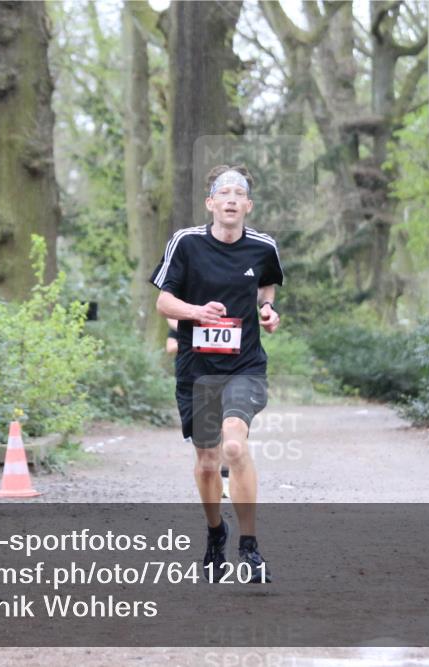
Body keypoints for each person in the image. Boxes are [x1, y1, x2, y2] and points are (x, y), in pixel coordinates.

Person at [150, 164, 282, 583]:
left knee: (235, 448)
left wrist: (266, 310)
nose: (230, 199)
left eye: (237, 194)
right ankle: (214, 534)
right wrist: (196, 312)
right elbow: (164, 303)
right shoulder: (186, 243)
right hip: (197, 368)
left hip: (244, 365)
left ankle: (249, 545)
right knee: (207, 462)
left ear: (247, 205)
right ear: (210, 203)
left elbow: (266, 288)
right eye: (222, 193)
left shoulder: (263, 247)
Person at [166, 316, 232, 500]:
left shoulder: (229, 324)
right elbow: (170, 346)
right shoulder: (183, 324)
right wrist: (193, 340)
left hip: (225, 375)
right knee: (209, 440)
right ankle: (213, 480)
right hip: (194, 377)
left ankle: (226, 480)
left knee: (227, 431)